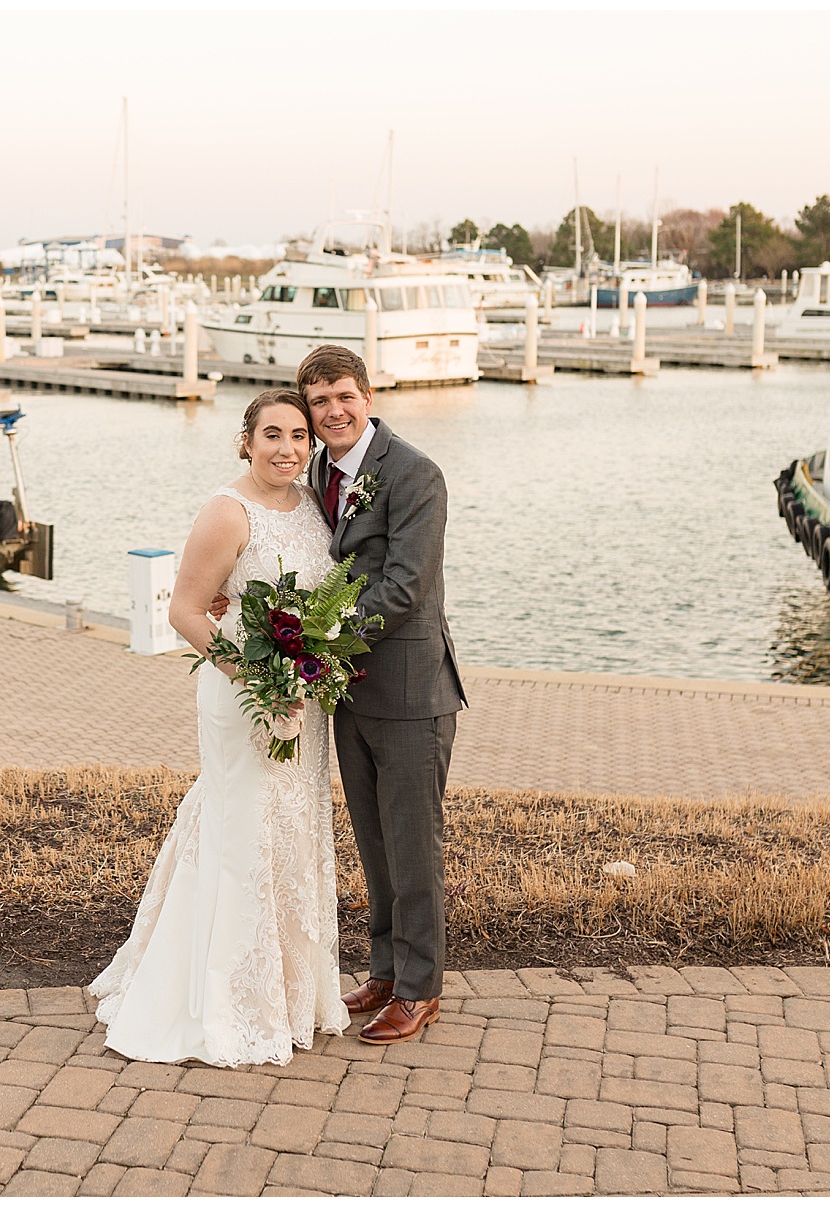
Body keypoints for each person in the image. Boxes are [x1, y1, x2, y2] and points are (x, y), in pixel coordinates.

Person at [89, 390, 350, 1067]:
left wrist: (307, 672)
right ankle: (228, 999)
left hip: (302, 699)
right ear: (246, 440)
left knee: (293, 829)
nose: (287, 447)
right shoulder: (225, 511)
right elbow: (184, 611)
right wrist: (258, 680)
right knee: (243, 828)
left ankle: (292, 993)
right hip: (245, 697)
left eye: (298, 434)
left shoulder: (313, 506)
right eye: (272, 434)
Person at [297, 344, 465, 1046]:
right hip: (350, 693)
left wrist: (318, 642)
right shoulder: (318, 470)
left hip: (410, 690)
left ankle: (421, 987)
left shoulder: (416, 472)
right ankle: (387, 967)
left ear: (367, 395)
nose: (333, 410)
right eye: (319, 401)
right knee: (374, 841)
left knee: (412, 845)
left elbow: (405, 586)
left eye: (343, 395)